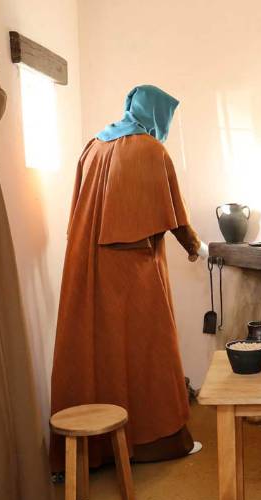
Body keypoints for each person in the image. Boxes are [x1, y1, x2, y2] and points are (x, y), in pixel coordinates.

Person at [51, 85, 207, 470]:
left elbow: (78, 213)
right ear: (157, 114)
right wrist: (194, 246)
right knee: (148, 351)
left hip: (87, 267)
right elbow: (174, 213)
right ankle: (159, 442)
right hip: (132, 271)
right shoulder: (151, 151)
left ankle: (99, 450)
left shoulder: (93, 146)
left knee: (98, 350)